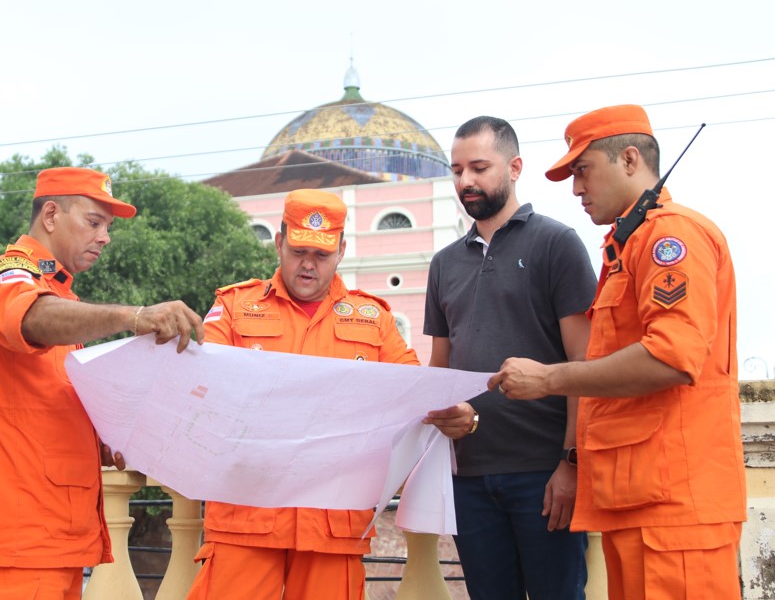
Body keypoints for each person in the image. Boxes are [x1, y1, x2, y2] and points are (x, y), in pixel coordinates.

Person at [492, 104, 746, 599]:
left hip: (674, 508)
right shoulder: (628, 246)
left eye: (583, 170)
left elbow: (671, 356)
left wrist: (549, 379)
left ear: (629, 160)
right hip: (640, 499)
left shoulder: (669, 236)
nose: (576, 189)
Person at [0, 167, 204, 600]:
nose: (105, 237)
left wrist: (106, 432)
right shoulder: (7, 274)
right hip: (13, 541)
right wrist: (134, 317)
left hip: (54, 541)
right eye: (93, 222)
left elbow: (43, 402)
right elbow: (30, 318)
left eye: (108, 227)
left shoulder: (60, 297)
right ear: (51, 215)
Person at [186, 188, 425, 600]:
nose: (308, 265)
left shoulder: (375, 321)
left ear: (342, 251)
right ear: (279, 243)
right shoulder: (234, 307)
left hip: (332, 521)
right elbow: (197, 383)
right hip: (247, 513)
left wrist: (455, 411)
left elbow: (413, 392)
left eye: (322, 255)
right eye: (298, 251)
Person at [421, 116, 596, 600]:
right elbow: (441, 369)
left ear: (515, 167)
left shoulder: (556, 244)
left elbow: (583, 362)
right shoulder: (444, 264)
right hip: (468, 478)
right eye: (457, 170)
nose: (466, 181)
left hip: (544, 474)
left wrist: (571, 464)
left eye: (479, 167)